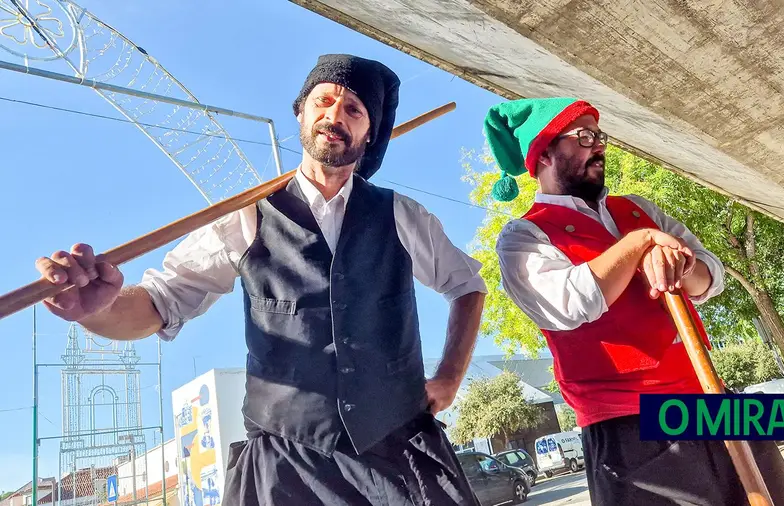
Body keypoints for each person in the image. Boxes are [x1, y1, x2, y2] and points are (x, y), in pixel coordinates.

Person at [35, 54, 486, 506]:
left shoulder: (403, 216)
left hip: (398, 453)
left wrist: (449, 376)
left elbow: (466, 285)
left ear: (369, 134)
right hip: (287, 469)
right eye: (323, 101)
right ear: (301, 114)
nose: (334, 115)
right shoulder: (245, 216)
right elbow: (159, 302)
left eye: (354, 109)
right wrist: (100, 309)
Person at [483, 97, 784, 505]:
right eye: (584, 137)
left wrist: (680, 262)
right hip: (629, 426)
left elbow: (711, 276)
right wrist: (640, 243)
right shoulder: (524, 236)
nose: (599, 146)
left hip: (713, 400)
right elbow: (569, 304)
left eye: (600, 136)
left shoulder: (639, 208)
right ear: (543, 151)